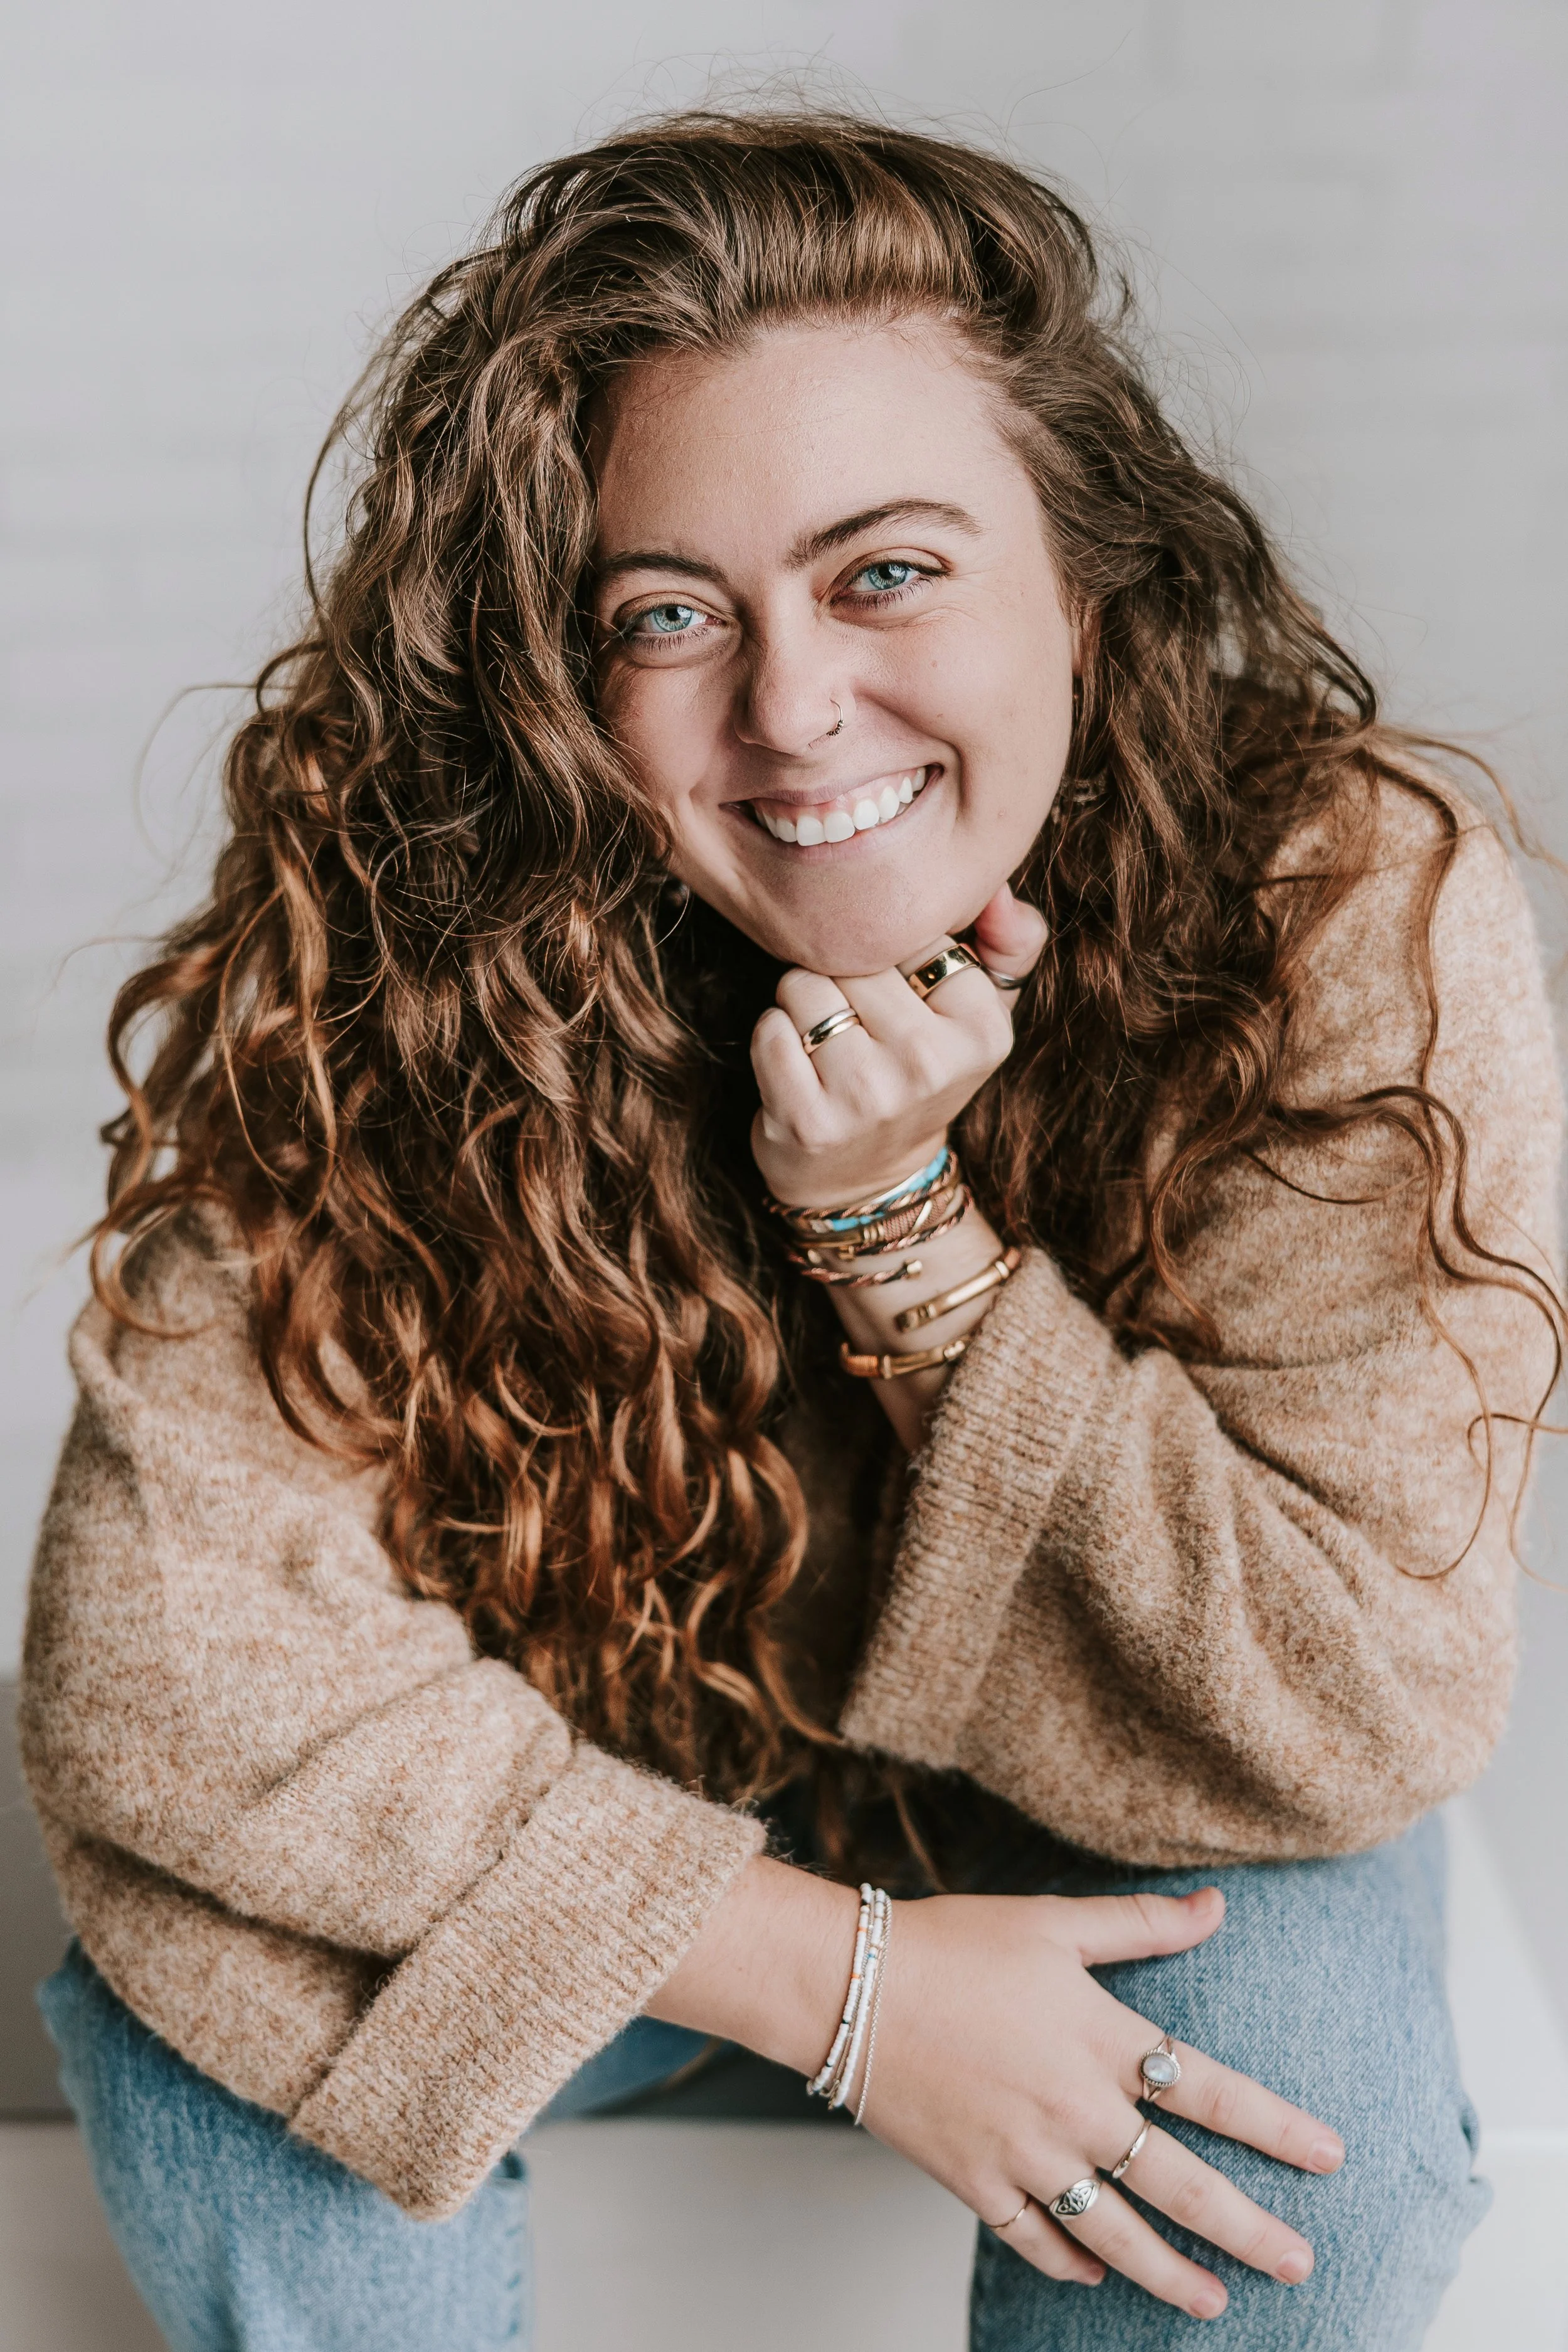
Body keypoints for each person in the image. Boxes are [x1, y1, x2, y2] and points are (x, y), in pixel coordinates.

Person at [20, 109, 1562, 2352]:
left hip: (1132, 1797)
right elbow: (157, 1683)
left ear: (1084, 575)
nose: (791, 704)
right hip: (628, 1798)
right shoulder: (410, 941)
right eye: (668, 613)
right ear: (559, 678)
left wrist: (904, 1244)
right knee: (226, 2005)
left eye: (887, 571)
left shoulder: (1344, 896)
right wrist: (843, 1991)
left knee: (1298, 2140)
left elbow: (1347, 1699)